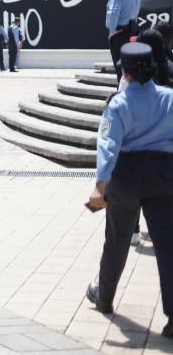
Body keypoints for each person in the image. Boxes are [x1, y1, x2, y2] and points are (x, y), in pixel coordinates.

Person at [86, 42, 173, 338]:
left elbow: (107, 145)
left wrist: (100, 186)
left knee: (117, 241)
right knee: (168, 247)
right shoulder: (170, 98)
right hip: (164, 174)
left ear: (125, 71)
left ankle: (105, 297)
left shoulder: (118, 103)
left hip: (126, 175)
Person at [106, 0, 143, 83]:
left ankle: (121, 95)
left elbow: (113, 13)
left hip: (119, 34)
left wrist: (112, 32)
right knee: (130, 67)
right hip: (132, 33)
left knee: (120, 68)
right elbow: (136, 13)